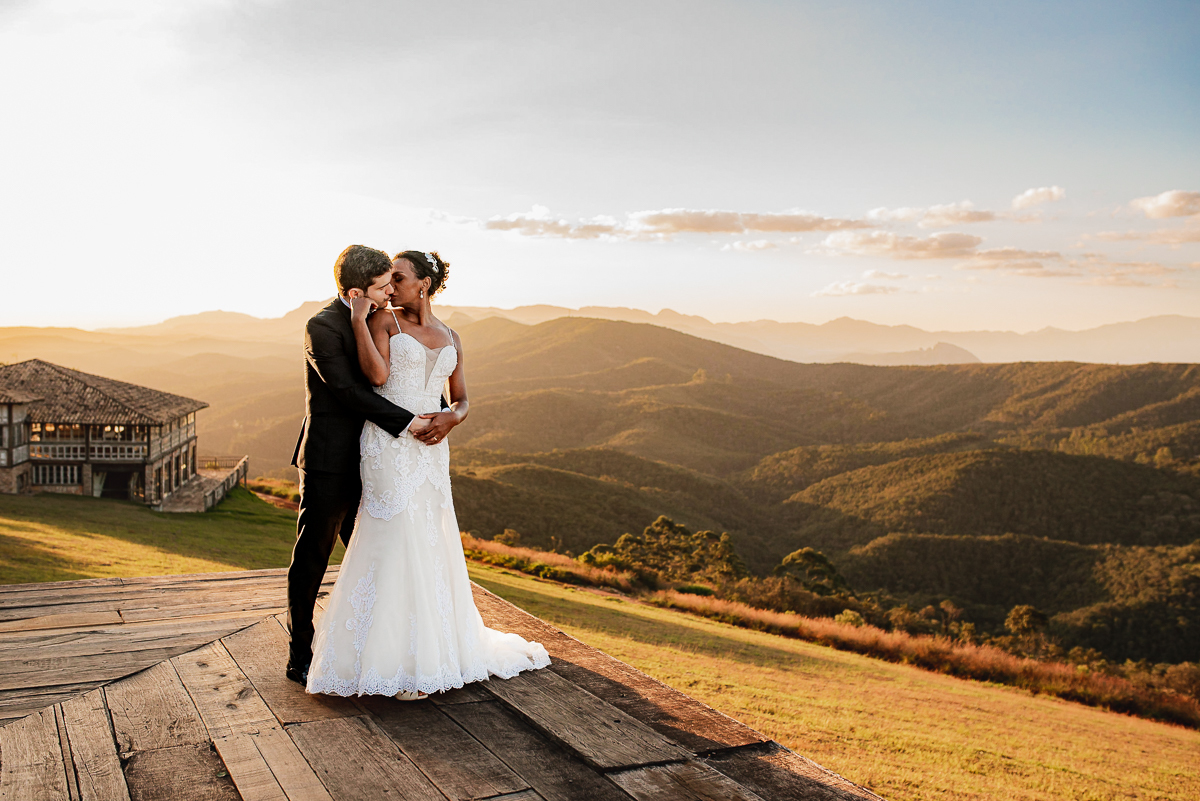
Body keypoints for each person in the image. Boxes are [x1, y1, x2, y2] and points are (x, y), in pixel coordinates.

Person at [305, 249, 549, 700]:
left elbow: (461, 399)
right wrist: (360, 320)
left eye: (397, 278)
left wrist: (452, 419)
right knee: (393, 535)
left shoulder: (451, 334)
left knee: (430, 538)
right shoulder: (383, 322)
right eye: (386, 280)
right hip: (389, 444)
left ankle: (430, 651)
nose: (390, 286)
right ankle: (383, 658)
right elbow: (377, 378)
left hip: (433, 450)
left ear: (424, 284)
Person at [285, 245, 447, 685]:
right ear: (357, 292)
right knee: (312, 558)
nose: (387, 294)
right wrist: (410, 423)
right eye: (380, 288)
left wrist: (443, 411)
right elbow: (349, 392)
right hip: (330, 462)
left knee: (379, 558)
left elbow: (410, 376)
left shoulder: (381, 318)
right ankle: (300, 651)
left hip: (379, 462)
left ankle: (380, 650)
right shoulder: (321, 327)